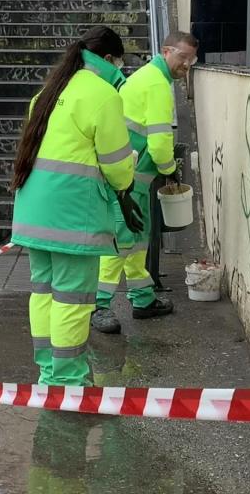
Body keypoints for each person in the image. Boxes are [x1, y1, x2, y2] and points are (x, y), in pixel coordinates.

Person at [10, 26, 144, 387]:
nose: (120, 68)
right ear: (107, 58)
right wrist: (125, 185)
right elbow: (117, 165)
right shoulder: (101, 94)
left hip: (34, 210)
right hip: (72, 214)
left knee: (44, 293)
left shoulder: (48, 92)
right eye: (119, 61)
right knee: (73, 299)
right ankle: (68, 380)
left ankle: (49, 371)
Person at [91, 31, 199, 335]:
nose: (187, 65)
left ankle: (142, 298)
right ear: (166, 51)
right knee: (122, 241)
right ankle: (99, 306)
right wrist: (169, 169)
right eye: (183, 57)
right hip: (129, 178)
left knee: (138, 239)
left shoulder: (150, 77)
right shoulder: (156, 84)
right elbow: (161, 141)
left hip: (131, 176)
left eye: (192, 59)